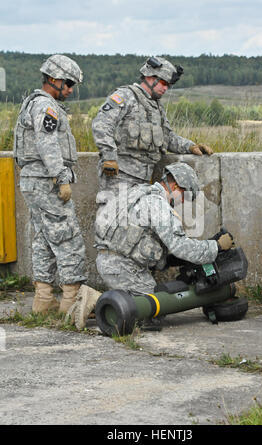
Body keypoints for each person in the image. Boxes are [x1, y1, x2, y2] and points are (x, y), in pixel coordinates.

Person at [13, 54, 87, 314]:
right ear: (53, 79)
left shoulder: (32, 103)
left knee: (44, 240)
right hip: (47, 182)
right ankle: (73, 302)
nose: (69, 90)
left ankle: (43, 300)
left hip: (33, 181)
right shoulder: (46, 106)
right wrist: (61, 177)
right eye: (67, 84)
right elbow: (47, 143)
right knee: (68, 239)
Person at [95, 162, 234, 295]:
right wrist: (217, 246)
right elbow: (180, 246)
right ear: (175, 187)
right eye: (185, 195)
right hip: (123, 268)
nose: (184, 201)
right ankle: (92, 301)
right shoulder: (158, 205)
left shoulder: (138, 191)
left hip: (109, 262)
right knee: (153, 312)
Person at [92, 56, 214, 196]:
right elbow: (101, 124)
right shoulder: (125, 96)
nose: (165, 88)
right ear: (150, 77)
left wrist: (190, 146)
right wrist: (109, 156)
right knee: (114, 214)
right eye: (162, 82)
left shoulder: (156, 107)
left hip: (143, 180)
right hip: (120, 177)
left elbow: (167, 138)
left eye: (168, 85)